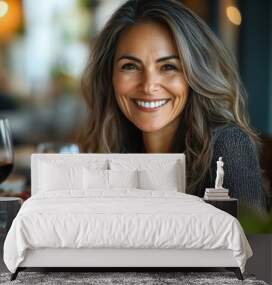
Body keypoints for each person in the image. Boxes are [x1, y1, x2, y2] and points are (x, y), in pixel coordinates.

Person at [78, 0, 268, 211]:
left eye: (168, 66)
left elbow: (250, 241)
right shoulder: (114, 148)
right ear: (110, 76)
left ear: (195, 74)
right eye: (130, 66)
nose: (149, 86)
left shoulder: (229, 147)